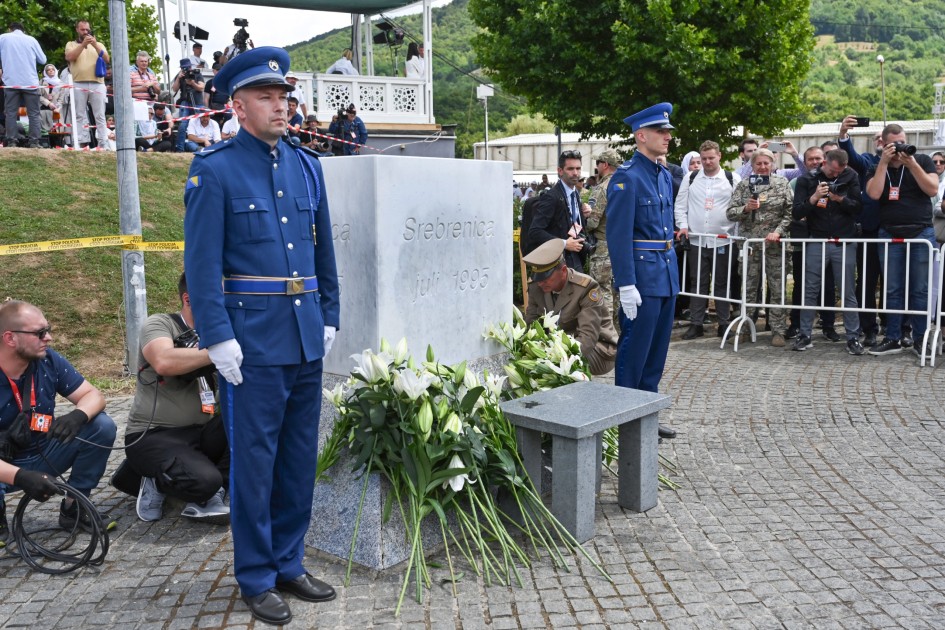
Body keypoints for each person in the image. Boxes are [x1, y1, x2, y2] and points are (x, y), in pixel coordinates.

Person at [183, 46, 340, 626]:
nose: (281, 106)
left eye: (284, 96)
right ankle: (255, 575)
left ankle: (288, 562)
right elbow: (201, 264)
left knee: (299, 458)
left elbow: (323, 248)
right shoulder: (215, 168)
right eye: (267, 97)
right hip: (250, 339)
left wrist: (330, 312)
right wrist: (216, 336)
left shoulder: (306, 163)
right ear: (238, 105)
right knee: (255, 462)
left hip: (302, 333)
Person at [111, 273, 229, 523]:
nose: (224, 302)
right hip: (154, 434)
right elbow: (164, 361)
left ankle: (209, 490)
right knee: (206, 481)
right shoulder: (160, 324)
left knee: (247, 424)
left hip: (201, 430)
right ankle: (155, 478)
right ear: (188, 298)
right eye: (217, 295)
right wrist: (219, 352)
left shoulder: (220, 331)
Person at [0, 301, 117, 535]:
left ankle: (74, 509)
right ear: (10, 338)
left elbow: (93, 395)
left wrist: (78, 415)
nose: (49, 338)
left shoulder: (48, 360)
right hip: (4, 467)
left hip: (43, 452)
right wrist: (20, 477)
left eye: (48, 329)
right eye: (40, 333)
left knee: (101, 425)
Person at [606, 103, 679, 440]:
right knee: (635, 352)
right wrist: (626, 284)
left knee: (656, 355)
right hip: (643, 279)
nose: (667, 137)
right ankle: (625, 420)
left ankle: (646, 416)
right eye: (661, 132)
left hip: (665, 275)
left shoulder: (663, 174)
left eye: (668, 132)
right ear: (641, 135)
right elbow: (617, 235)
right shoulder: (627, 177)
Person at [865, 124, 939, 357]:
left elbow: (932, 190)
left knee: (920, 290)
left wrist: (912, 163)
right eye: (894, 143)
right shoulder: (877, 166)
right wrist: (884, 163)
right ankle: (893, 337)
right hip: (889, 232)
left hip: (921, 233)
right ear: (884, 144)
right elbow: (874, 194)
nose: (900, 146)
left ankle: (920, 339)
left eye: (902, 141)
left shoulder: (923, 160)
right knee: (892, 289)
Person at [792, 149, 865, 355]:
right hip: (817, 239)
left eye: (840, 172)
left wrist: (839, 198)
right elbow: (797, 212)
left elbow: (859, 207)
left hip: (844, 240)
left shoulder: (850, 176)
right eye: (833, 172)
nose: (836, 176)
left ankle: (852, 337)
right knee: (810, 289)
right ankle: (804, 335)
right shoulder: (807, 178)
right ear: (824, 163)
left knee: (847, 291)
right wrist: (815, 197)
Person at [675, 140, 741, 339]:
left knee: (722, 283)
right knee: (697, 283)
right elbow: (680, 206)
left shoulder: (732, 178)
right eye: (704, 158)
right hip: (696, 239)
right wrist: (683, 226)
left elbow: (738, 207)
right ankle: (696, 323)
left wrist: (737, 236)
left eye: (711, 158)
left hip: (723, 240)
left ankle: (723, 323)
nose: (707, 162)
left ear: (719, 156)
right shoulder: (691, 177)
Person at [728, 148, 794, 346]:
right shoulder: (744, 186)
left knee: (777, 289)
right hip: (750, 245)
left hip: (775, 245)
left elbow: (790, 213)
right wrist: (746, 208)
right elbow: (730, 213)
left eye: (767, 163)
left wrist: (779, 231)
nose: (763, 167)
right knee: (748, 288)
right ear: (753, 165)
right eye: (759, 163)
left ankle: (778, 330)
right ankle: (745, 327)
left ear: (773, 164)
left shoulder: (782, 184)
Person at [523, 239, 618, 375]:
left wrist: (554, 359)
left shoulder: (586, 288)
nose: (540, 284)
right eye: (538, 279)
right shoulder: (536, 286)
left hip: (598, 348)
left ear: (563, 270)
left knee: (558, 369)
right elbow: (530, 325)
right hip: (556, 347)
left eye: (545, 278)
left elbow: (588, 337)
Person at [838, 118, 885, 347]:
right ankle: (869, 329)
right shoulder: (868, 162)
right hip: (867, 231)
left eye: (885, 138)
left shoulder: (906, 163)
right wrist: (844, 133)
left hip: (894, 231)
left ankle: (894, 327)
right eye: (878, 138)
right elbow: (852, 156)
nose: (881, 141)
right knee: (866, 282)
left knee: (893, 284)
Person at [525, 149, 590, 271]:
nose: (576, 173)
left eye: (578, 168)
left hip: (573, 259)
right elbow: (535, 231)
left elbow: (569, 225)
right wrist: (564, 244)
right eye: (570, 169)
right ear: (560, 171)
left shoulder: (575, 194)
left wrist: (582, 216)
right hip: (556, 264)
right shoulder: (551, 197)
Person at [586, 148, 623, 327]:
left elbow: (593, 222)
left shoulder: (602, 188)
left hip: (603, 247)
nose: (597, 166)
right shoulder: (625, 186)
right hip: (622, 247)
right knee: (619, 294)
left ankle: (606, 338)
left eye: (598, 163)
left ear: (605, 165)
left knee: (602, 291)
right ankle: (618, 335)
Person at [64, 19, 109, 149]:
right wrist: (83, 45)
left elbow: (107, 58)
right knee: (78, 114)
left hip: (98, 83)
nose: (85, 32)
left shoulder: (98, 44)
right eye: (82, 29)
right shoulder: (71, 44)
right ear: (77, 30)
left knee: (100, 115)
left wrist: (95, 44)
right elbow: (70, 57)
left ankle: (103, 143)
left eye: (87, 29)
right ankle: (77, 142)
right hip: (78, 82)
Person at [0, 21, 46, 148]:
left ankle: (12, 141)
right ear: (23, 30)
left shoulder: (3, 38)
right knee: (34, 114)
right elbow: (43, 60)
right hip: (30, 82)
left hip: (11, 83)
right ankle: (34, 142)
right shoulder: (31, 40)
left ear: (10, 29)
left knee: (10, 113)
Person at [172, 58, 205, 152]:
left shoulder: (197, 73)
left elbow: (201, 88)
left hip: (197, 102)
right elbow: (174, 89)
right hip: (185, 102)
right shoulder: (180, 75)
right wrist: (179, 78)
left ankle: (198, 146)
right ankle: (180, 149)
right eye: (184, 68)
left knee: (200, 123)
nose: (187, 70)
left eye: (188, 67)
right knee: (183, 125)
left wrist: (192, 83)